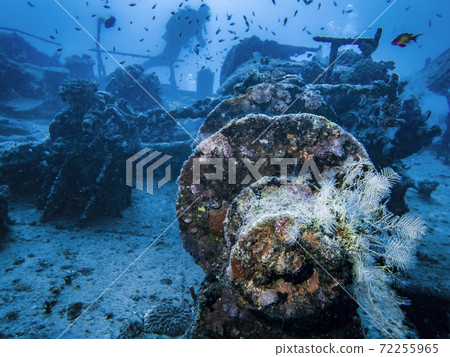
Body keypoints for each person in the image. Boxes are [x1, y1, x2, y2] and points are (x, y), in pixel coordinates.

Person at [142, 4, 210, 88]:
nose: (207, 16)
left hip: (176, 40)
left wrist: (187, 41)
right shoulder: (195, 18)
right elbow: (197, 33)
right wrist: (201, 42)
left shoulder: (195, 17)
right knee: (167, 59)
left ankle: (146, 65)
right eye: (206, 13)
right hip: (175, 39)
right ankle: (146, 65)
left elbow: (196, 33)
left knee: (168, 59)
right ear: (203, 12)